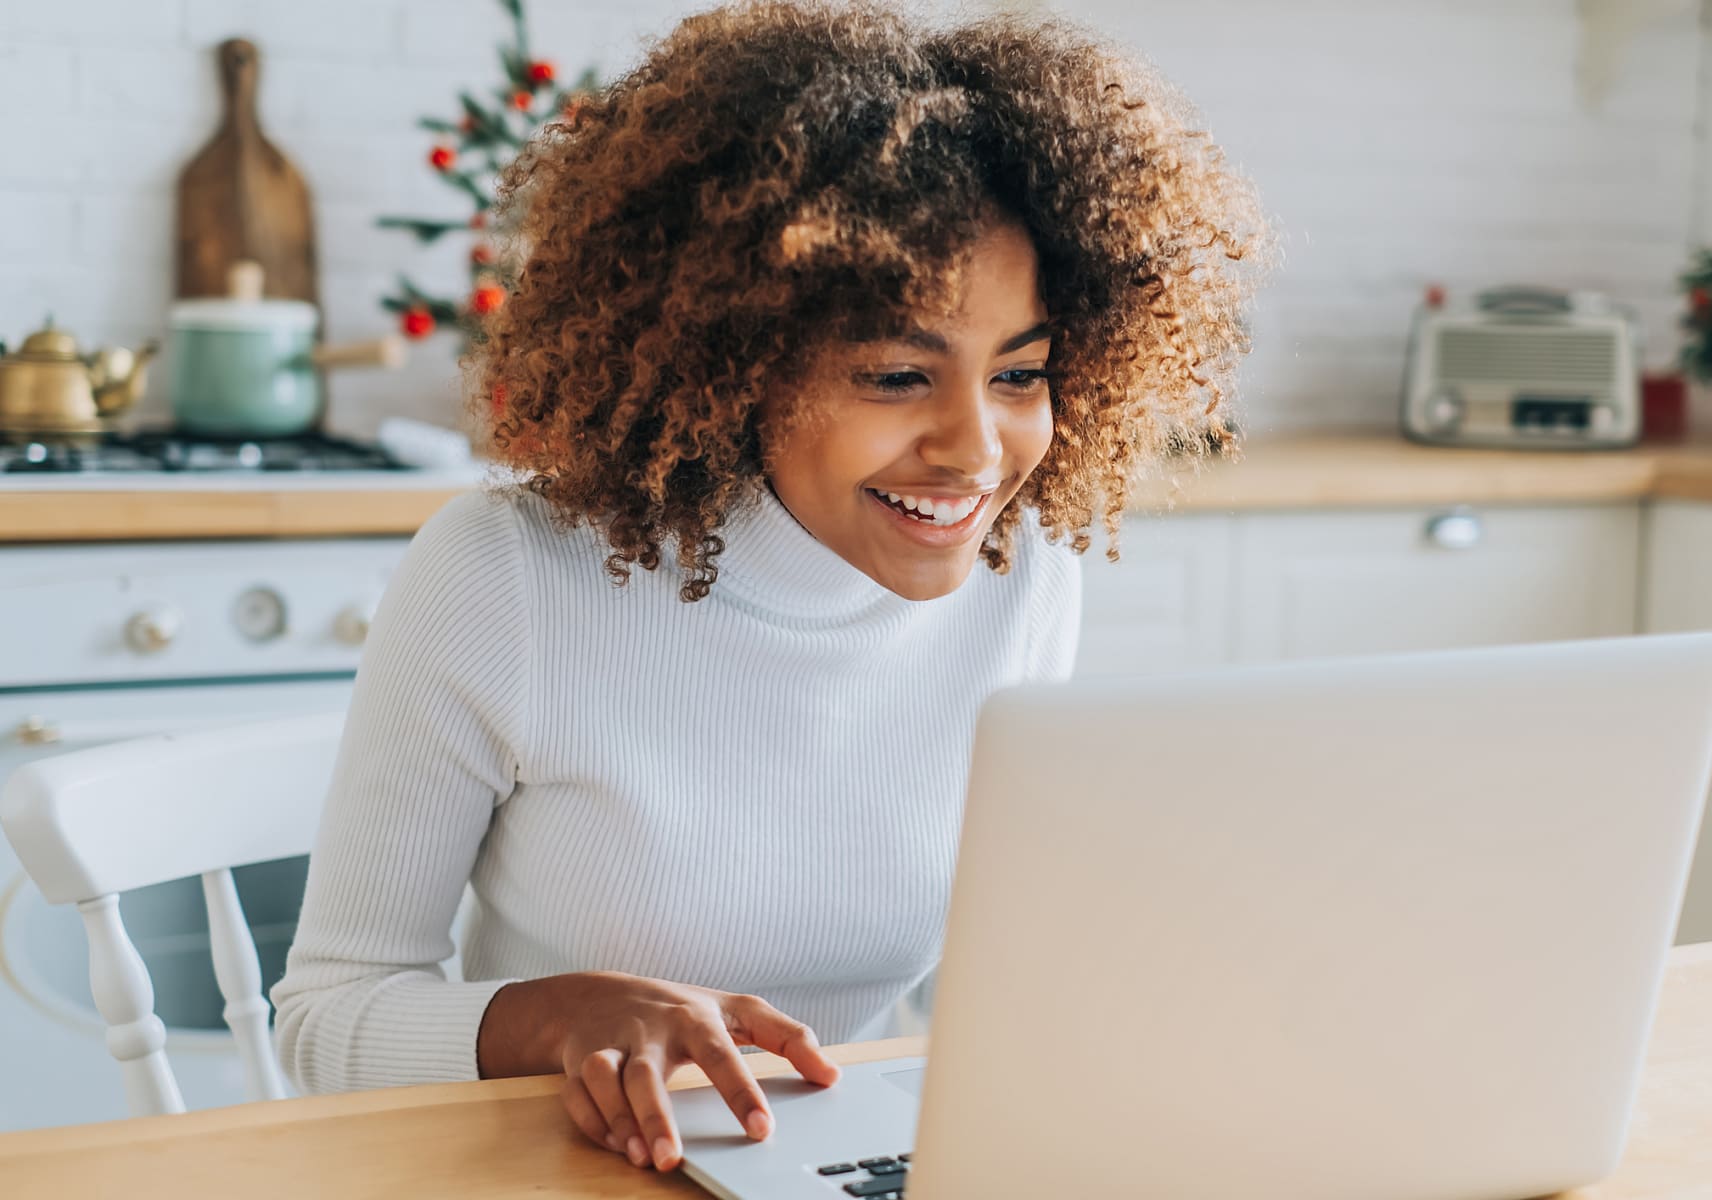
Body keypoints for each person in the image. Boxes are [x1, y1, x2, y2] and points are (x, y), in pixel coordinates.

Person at [271, 0, 1262, 1175]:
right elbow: (326, 1020)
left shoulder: (1020, 572)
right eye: (898, 375)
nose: (979, 452)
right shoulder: (511, 576)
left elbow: (1003, 985)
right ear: (736, 359)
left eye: (1021, 373)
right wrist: (556, 1014)